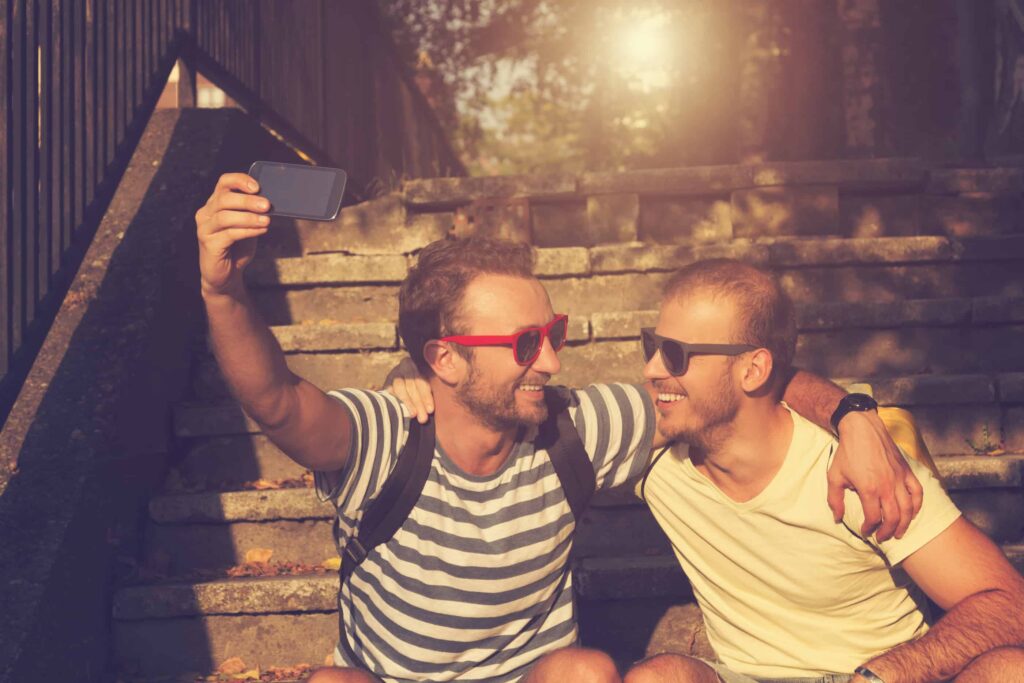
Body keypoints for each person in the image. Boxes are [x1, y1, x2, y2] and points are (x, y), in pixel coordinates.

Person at [195, 174, 922, 683]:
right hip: (387, 675)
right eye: (522, 344)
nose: (550, 357)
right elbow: (278, 401)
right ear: (443, 360)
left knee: (586, 670)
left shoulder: (576, 427)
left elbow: (725, 380)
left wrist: (852, 413)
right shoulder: (386, 437)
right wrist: (223, 289)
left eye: (554, 331)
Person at [622, 259, 1024, 683]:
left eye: (675, 354)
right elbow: (551, 419)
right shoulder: (656, 454)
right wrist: (848, 409)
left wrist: (885, 673)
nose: (652, 369)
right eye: (652, 345)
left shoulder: (859, 469)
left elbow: (1009, 603)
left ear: (754, 369)